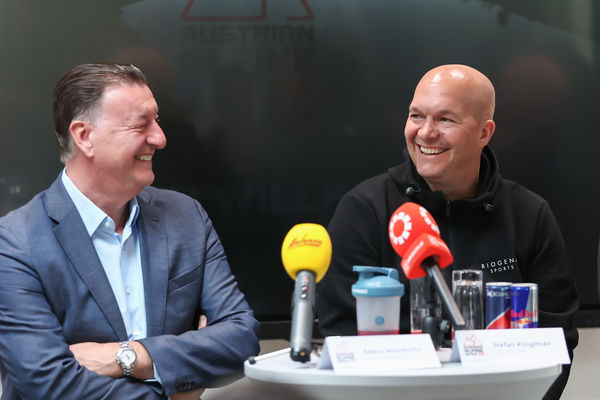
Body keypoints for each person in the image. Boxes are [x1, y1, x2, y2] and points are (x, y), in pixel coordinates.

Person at [316, 64, 578, 399]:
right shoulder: (364, 209)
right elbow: (342, 337)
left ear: (484, 133)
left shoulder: (530, 214)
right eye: (416, 116)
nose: (425, 133)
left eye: (445, 119)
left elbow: (557, 344)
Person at [0, 63, 260, 399]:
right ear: (84, 136)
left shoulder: (186, 217)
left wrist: (127, 357)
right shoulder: (15, 243)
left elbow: (241, 340)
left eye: (157, 121)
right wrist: (176, 386)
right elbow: (47, 384)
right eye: (141, 125)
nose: (160, 138)